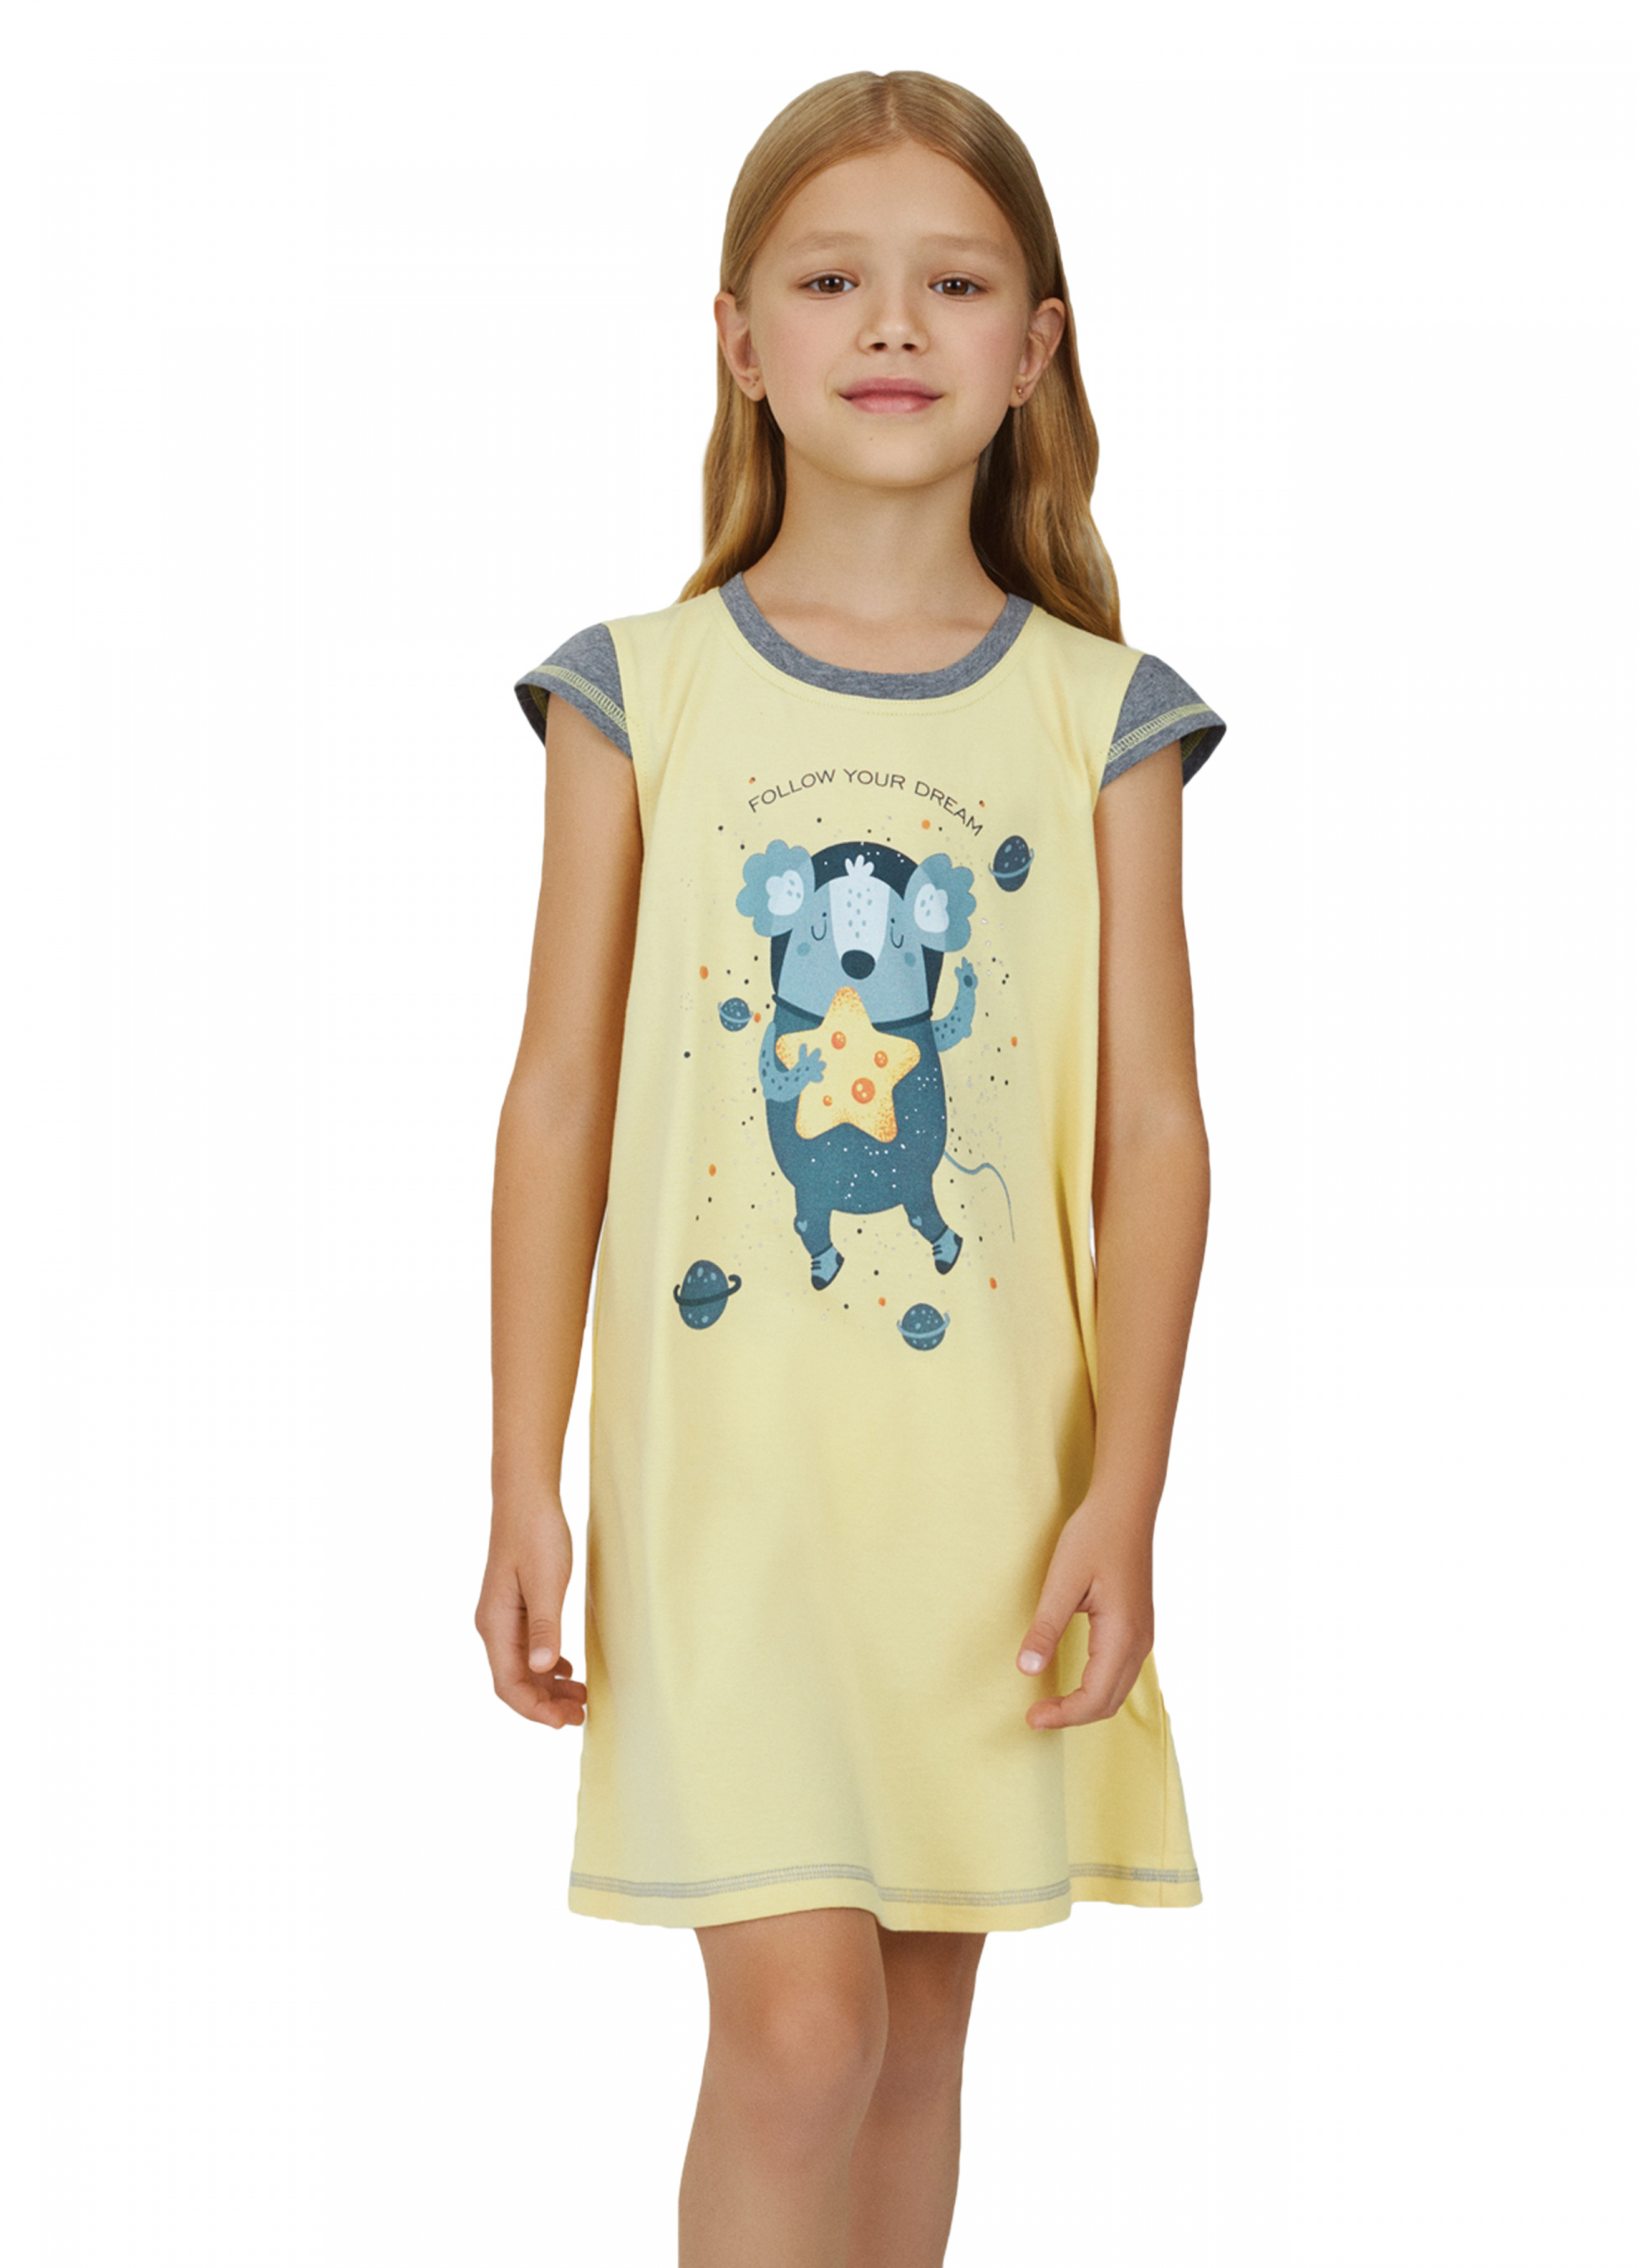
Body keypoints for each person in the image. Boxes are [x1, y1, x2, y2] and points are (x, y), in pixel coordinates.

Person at [476, 67, 1227, 2268]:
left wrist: (1124, 1495)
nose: (891, 324)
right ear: (737, 338)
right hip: (727, 1490)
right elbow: (556, 1097)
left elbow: (1156, 1130)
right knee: (798, 2033)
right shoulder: (636, 694)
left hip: (987, 1493)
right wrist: (524, 1472)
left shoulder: (1105, 714)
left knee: (912, 2035)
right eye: (830, 280)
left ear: (1035, 348)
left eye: (953, 283)